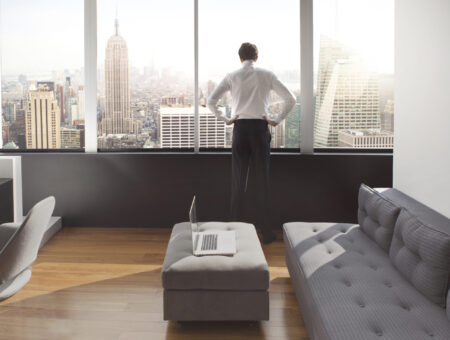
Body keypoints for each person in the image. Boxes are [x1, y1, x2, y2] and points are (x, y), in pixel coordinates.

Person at [207, 42, 296, 244]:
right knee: (261, 181)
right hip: (259, 130)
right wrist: (276, 119)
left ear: (240, 58)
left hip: (240, 129)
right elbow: (290, 99)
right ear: (257, 58)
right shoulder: (267, 75)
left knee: (238, 181)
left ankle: (234, 231)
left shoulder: (232, 76)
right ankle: (265, 232)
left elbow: (211, 101)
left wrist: (226, 119)